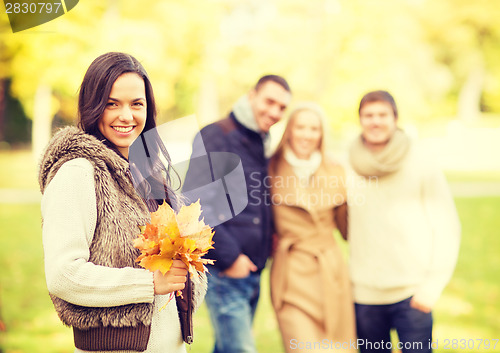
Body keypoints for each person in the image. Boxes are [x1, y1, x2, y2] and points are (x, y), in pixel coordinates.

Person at [38, 52, 206, 353]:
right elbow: (64, 275)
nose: (126, 116)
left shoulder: (150, 174)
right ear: (92, 106)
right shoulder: (78, 173)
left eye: (136, 104)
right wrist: (148, 283)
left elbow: (172, 272)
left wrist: (189, 266)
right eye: (112, 103)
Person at [182, 75, 292, 353]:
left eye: (282, 107)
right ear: (251, 95)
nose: (275, 112)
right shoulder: (216, 135)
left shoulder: (261, 141)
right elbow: (197, 204)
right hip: (226, 270)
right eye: (269, 101)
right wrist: (231, 258)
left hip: (253, 270)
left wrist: (271, 237)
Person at [346, 90, 461, 353]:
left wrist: (432, 286)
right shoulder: (347, 164)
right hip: (364, 296)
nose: (375, 121)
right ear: (360, 120)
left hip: (413, 293)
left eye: (382, 115)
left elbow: (446, 225)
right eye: (368, 115)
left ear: (395, 119)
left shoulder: (420, 160)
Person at [268, 103, 356, 352]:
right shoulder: (270, 168)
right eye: (301, 127)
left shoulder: (336, 169)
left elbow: (347, 230)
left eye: (314, 128)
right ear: (290, 131)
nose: (307, 135)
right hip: (291, 274)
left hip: (330, 272)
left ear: (322, 134)